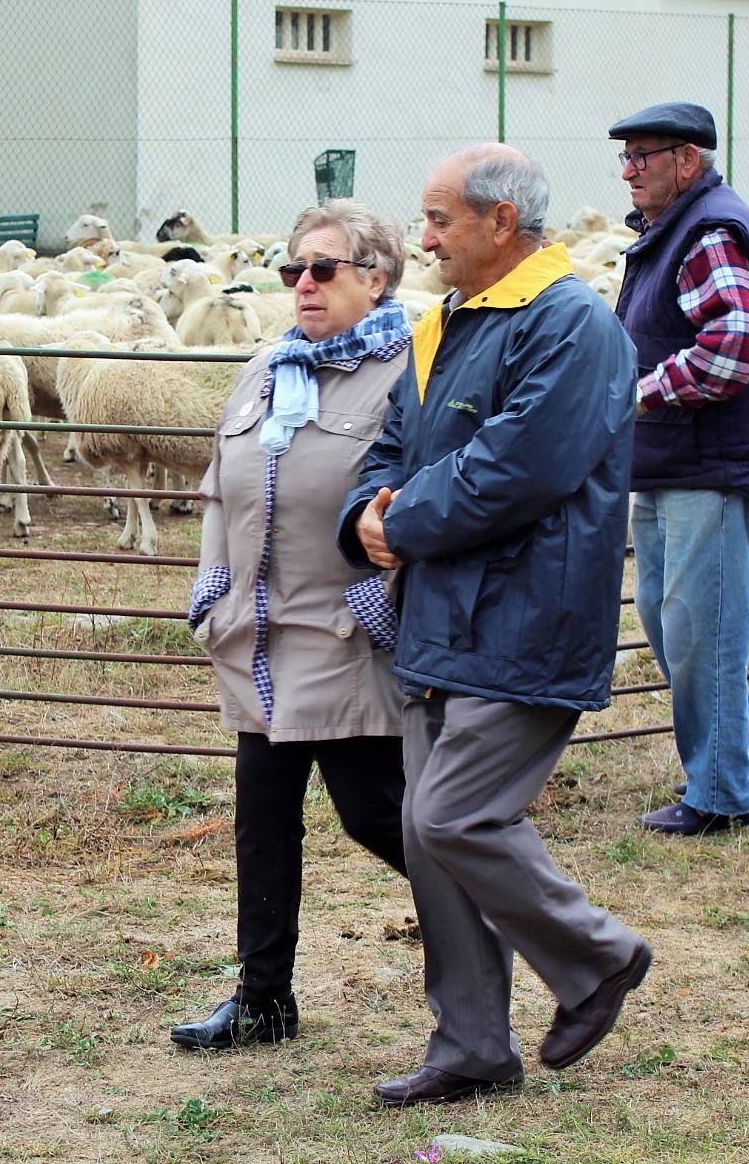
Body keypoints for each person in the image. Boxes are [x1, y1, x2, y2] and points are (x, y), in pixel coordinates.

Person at [339, 145, 651, 1107]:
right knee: (428, 836)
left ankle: (596, 957)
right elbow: (393, 442)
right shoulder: (449, 324)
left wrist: (403, 521)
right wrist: (363, 515)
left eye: (437, 220)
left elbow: (518, 468)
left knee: (454, 815)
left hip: (526, 615)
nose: (422, 238)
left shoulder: (574, 327)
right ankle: (470, 1044)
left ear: (500, 223)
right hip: (442, 617)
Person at [172, 199, 416, 1050]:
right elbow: (220, 480)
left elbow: (421, 498)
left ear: (376, 278)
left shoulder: (407, 371)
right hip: (259, 633)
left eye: (323, 269)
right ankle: (263, 999)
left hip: (341, 632)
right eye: (292, 271)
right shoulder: (270, 366)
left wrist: (383, 603)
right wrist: (211, 586)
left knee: (375, 814)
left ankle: (494, 919)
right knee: (262, 818)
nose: (302, 286)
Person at [608, 102, 749, 836]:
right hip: (677, 463)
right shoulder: (678, 230)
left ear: (686, 161)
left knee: (702, 631)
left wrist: (636, 396)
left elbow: (732, 349)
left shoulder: (707, 232)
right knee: (671, 624)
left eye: (642, 155)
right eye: (624, 157)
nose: (628, 170)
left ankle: (721, 797)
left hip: (716, 468)